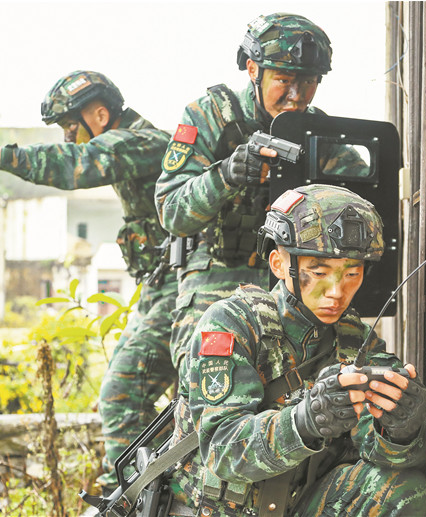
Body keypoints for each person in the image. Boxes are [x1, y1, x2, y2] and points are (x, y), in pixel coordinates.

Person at [0, 70, 178, 491]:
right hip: (164, 285)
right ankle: (149, 487)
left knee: (123, 392)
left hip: (187, 288)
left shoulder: (143, 144)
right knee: (138, 393)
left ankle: (135, 493)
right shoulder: (132, 144)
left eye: (72, 126)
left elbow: (75, 164)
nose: (71, 137)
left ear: (101, 114)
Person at [163, 184, 426, 516]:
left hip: (294, 505)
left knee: (404, 489)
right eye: (319, 273)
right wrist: (307, 421)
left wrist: (401, 431)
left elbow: (380, 452)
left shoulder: (354, 341)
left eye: (352, 273)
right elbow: (224, 450)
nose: (337, 291)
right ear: (278, 264)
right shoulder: (232, 323)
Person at [155, 12, 337, 382]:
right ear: (253, 69)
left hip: (292, 279)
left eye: (308, 83)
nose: (295, 96)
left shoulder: (320, 130)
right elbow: (171, 211)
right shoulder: (209, 117)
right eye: (283, 81)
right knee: (210, 381)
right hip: (218, 275)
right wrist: (226, 175)